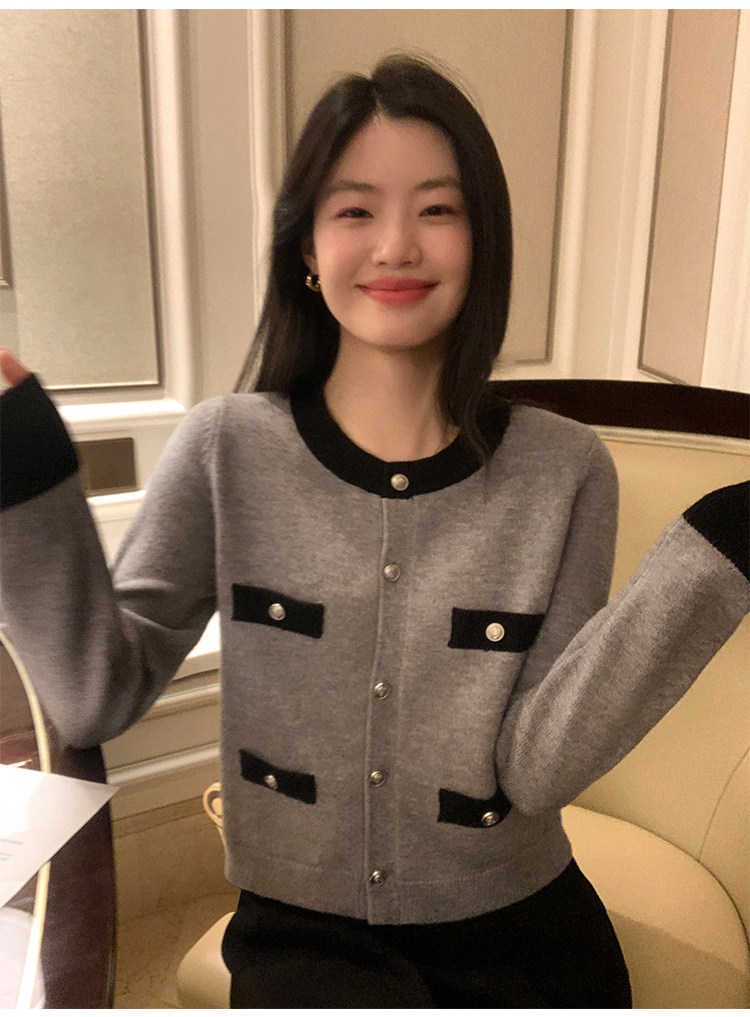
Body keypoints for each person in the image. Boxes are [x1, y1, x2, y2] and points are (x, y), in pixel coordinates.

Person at [0, 55, 747, 1008]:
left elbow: (535, 766)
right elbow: (92, 695)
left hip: (523, 925)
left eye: (438, 209)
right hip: (303, 931)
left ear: (482, 243)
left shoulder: (567, 470)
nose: (396, 244)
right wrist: (22, 464)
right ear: (307, 248)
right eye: (355, 209)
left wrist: (717, 550)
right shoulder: (227, 449)